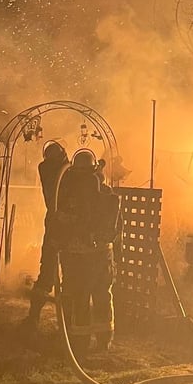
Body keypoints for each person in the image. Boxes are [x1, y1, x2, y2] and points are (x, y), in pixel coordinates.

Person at [53, 149, 121, 352]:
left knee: (79, 297)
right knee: (102, 295)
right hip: (103, 256)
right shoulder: (108, 195)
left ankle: (80, 341)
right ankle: (104, 339)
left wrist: (57, 241)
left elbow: (61, 222)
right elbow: (117, 228)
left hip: (78, 258)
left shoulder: (69, 193)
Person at [24, 140, 69, 326]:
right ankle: (68, 322)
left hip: (54, 225)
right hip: (66, 228)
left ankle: (34, 316)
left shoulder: (47, 168)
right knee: (68, 272)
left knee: (48, 271)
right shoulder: (65, 171)